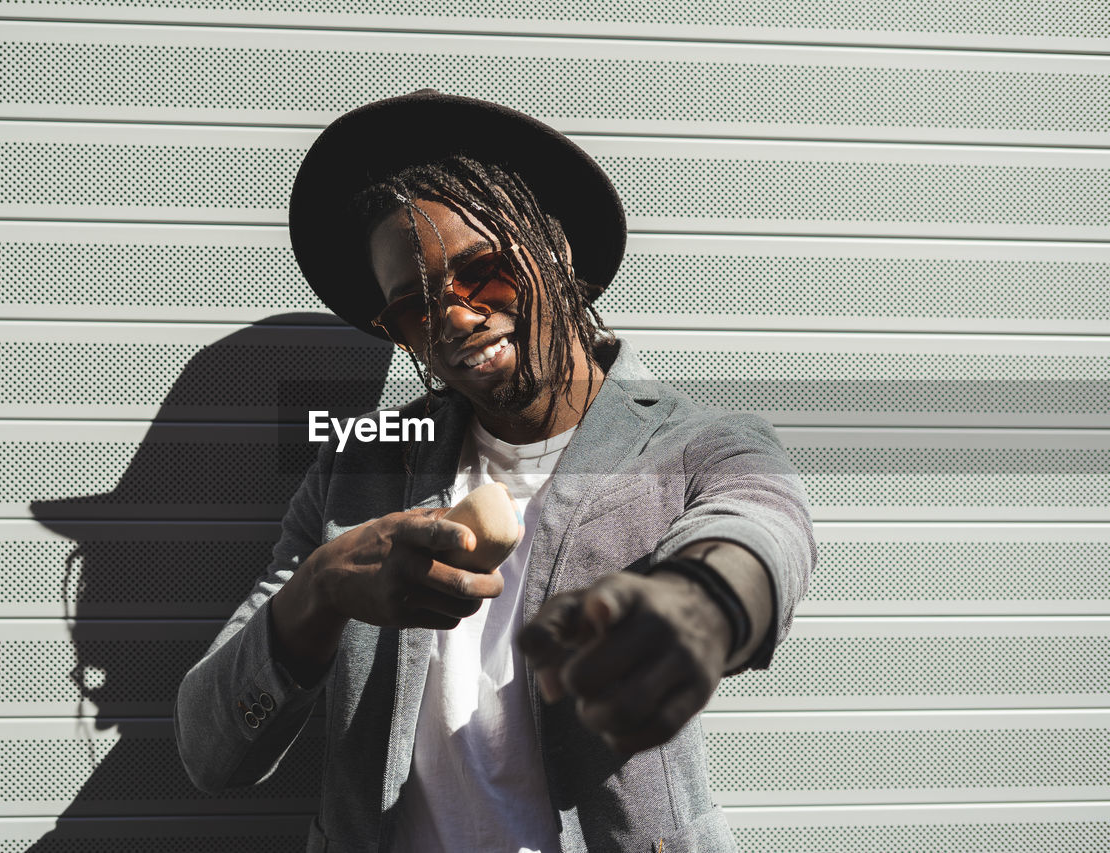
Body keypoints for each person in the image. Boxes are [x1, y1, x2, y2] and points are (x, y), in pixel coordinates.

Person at [175, 90, 816, 852]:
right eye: (415, 307)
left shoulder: (696, 443)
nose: (453, 318)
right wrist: (319, 589)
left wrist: (698, 608)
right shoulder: (361, 469)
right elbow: (209, 749)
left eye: (485, 272)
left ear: (558, 252)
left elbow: (762, 532)